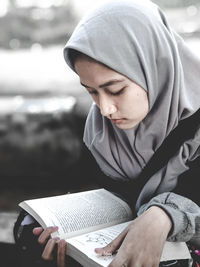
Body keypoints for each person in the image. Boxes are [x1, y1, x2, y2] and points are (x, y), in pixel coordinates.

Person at [14, 0, 200, 266]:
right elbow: (91, 195)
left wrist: (165, 216)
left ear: (154, 65)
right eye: (91, 91)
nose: (105, 109)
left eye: (115, 89)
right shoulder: (100, 130)